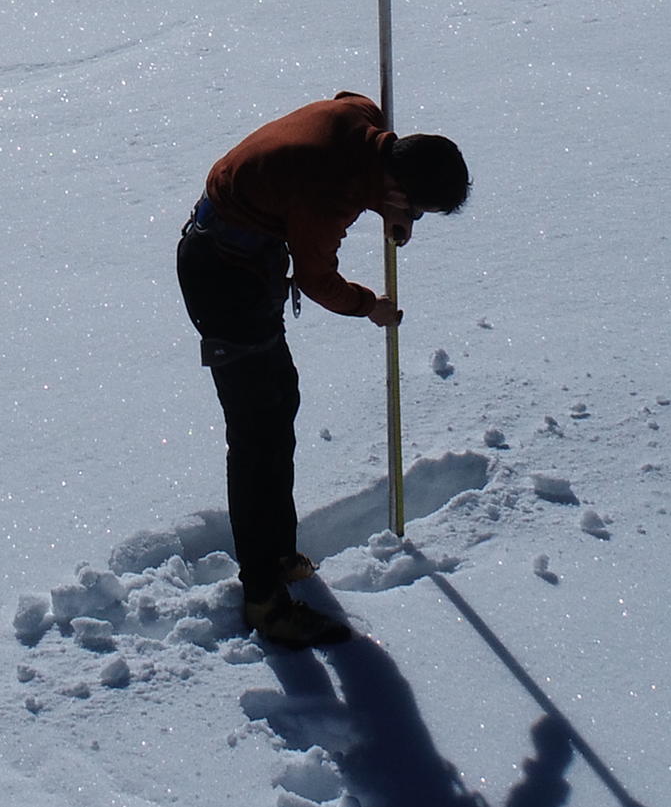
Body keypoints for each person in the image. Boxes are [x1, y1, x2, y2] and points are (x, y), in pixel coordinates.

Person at [178, 92, 470, 648]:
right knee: (257, 436)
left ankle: (280, 551)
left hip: (248, 261)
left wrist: (388, 207)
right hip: (222, 277)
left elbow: (346, 98)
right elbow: (317, 280)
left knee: (278, 405)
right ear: (397, 186)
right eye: (415, 209)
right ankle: (264, 599)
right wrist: (370, 306)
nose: (411, 220)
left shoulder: (361, 120)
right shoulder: (328, 192)